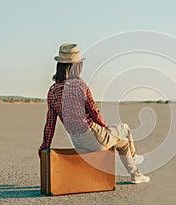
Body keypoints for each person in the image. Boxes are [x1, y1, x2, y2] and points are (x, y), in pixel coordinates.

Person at [38, 43, 150, 184]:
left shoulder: (53, 90)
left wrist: (45, 146)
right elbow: (94, 112)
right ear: (77, 65)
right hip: (93, 136)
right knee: (125, 129)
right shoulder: (79, 85)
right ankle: (134, 162)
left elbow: (50, 123)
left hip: (76, 139)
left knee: (122, 143)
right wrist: (105, 128)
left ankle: (136, 174)